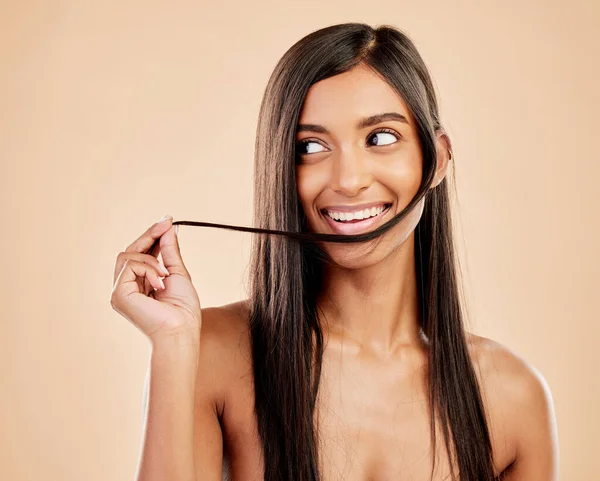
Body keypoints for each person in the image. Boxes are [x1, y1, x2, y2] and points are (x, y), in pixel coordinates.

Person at [110, 22, 559, 481]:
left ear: (438, 159)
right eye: (311, 146)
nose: (347, 179)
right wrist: (172, 345)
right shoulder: (212, 354)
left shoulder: (513, 399)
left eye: (381, 138)